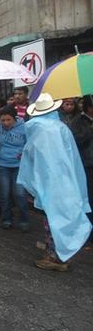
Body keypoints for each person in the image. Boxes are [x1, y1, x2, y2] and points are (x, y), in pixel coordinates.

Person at [17, 93, 92, 271]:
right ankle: (61, 254)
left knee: (51, 218)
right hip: (66, 178)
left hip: (47, 180)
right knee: (62, 215)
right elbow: (71, 155)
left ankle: (56, 258)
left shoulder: (37, 129)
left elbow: (32, 157)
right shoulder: (61, 127)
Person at [0, 105, 28, 230]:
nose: (6, 123)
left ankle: (24, 220)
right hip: (2, 165)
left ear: (15, 118)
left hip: (19, 166)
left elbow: (30, 144)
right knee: (5, 193)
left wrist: (24, 152)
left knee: (19, 194)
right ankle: (6, 219)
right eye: (3, 120)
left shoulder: (24, 126)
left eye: (9, 120)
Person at [70, 95, 93, 236]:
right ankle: (88, 232)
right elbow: (75, 141)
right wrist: (90, 130)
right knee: (88, 199)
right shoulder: (78, 120)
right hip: (86, 164)